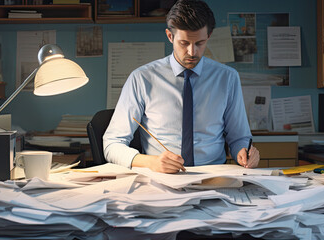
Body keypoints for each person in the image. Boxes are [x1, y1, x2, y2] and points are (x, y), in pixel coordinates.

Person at [103, 0, 260, 173]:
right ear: (170, 36)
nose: (192, 52)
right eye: (184, 43)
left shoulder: (228, 78)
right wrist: (150, 162)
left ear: (209, 36)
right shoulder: (142, 79)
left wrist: (244, 152)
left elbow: (239, 138)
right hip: (161, 178)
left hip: (213, 177)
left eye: (199, 43)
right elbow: (112, 144)